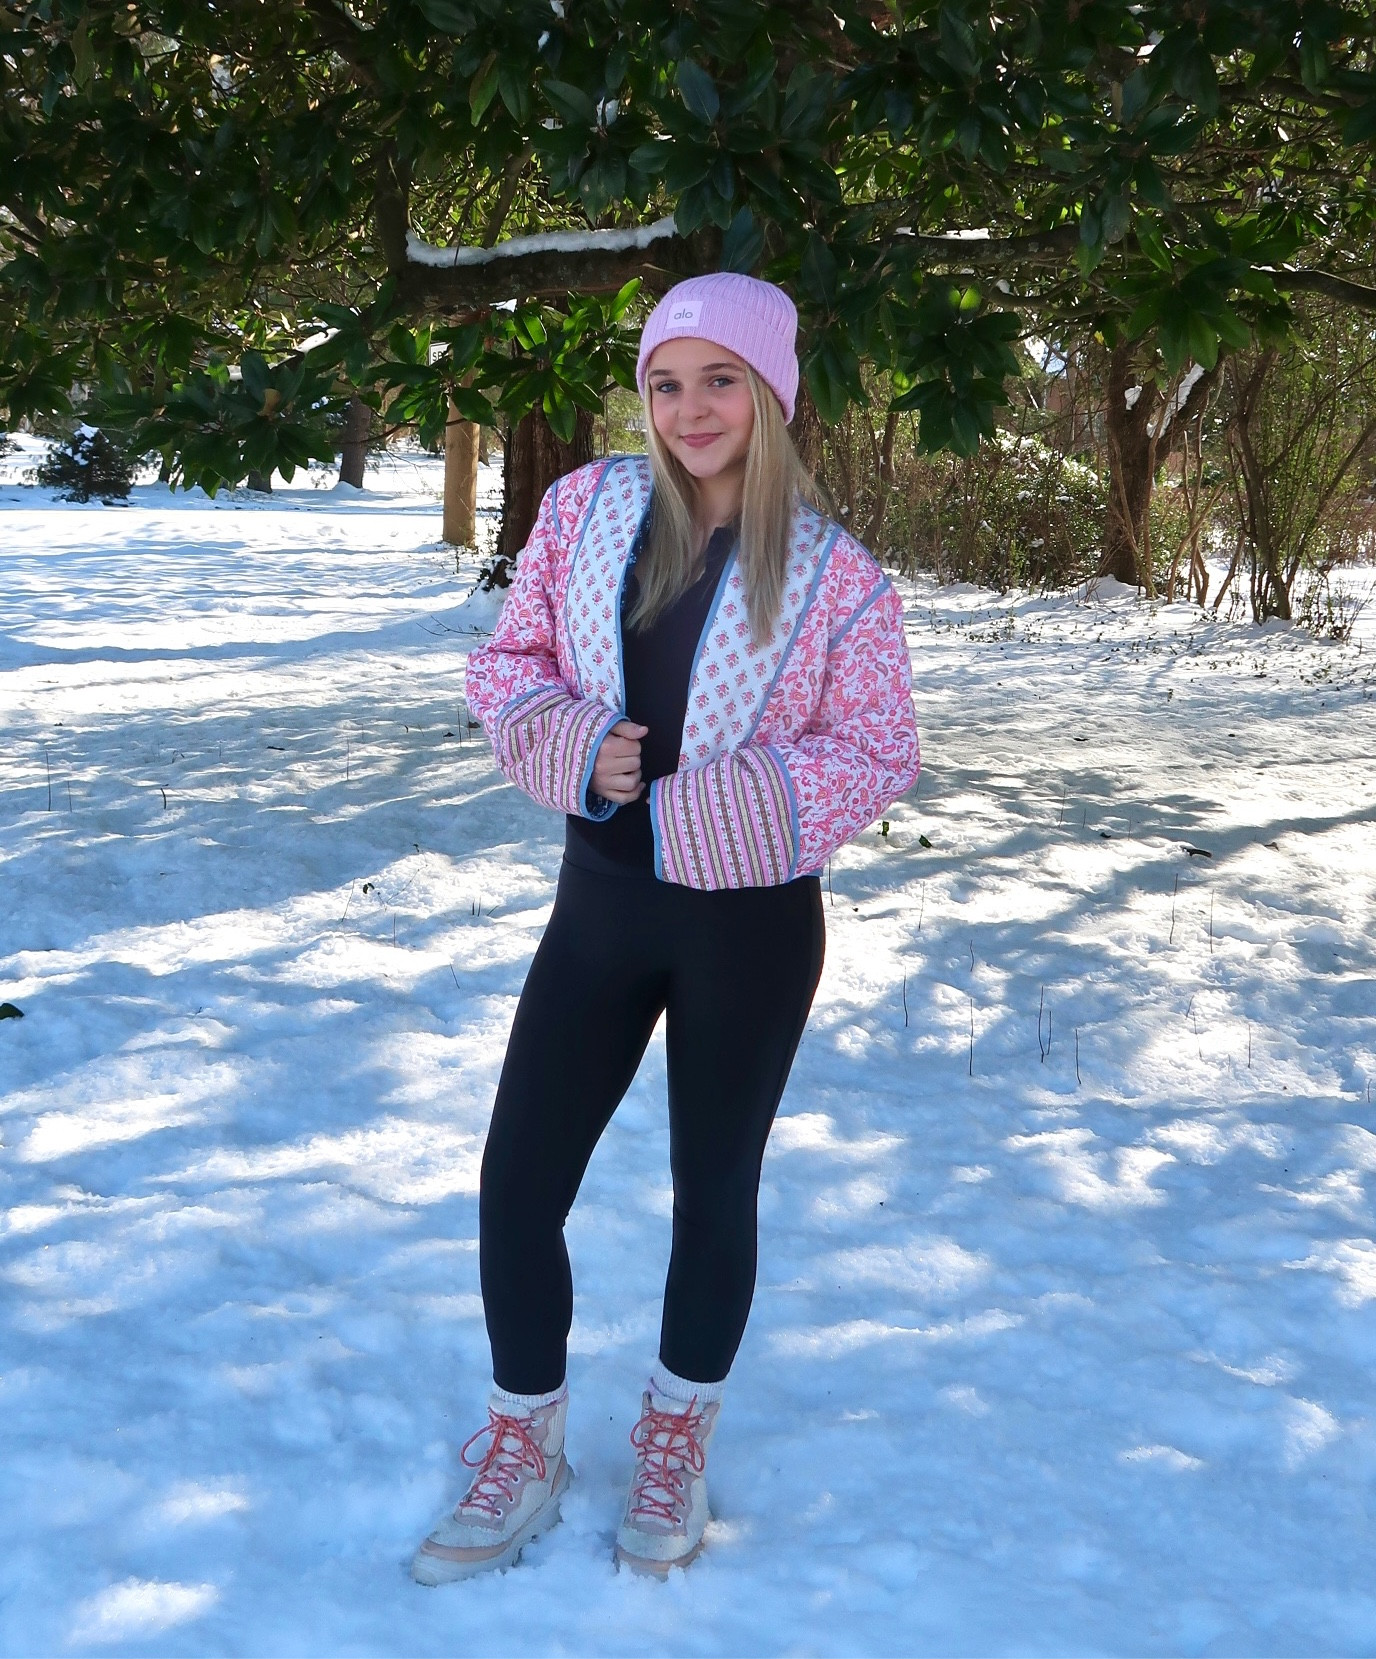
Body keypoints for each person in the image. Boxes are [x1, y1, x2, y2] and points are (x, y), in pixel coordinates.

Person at [411, 272, 920, 1584]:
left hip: (748, 930)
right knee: (519, 1181)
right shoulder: (584, 512)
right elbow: (506, 664)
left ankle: (677, 1435)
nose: (690, 408)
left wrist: (740, 797)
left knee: (713, 1192)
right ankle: (525, 1441)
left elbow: (879, 749)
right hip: (601, 908)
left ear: (772, 395)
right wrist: (577, 741)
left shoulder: (839, 582)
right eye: (666, 380)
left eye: (721, 379)